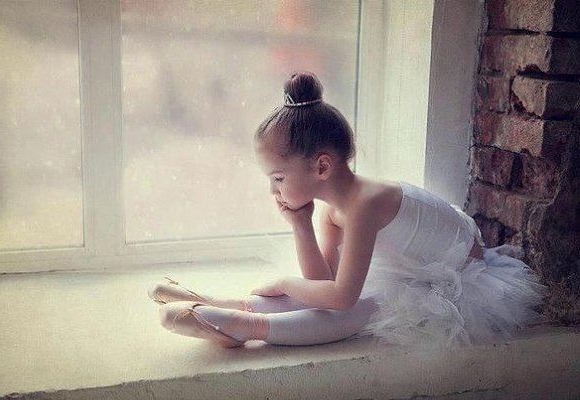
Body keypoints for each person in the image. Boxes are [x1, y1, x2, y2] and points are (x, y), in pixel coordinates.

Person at [147, 71, 549, 349]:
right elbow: (322, 284)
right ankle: (227, 304)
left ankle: (247, 325)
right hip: (409, 265)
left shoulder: (365, 205)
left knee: (365, 308)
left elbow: (340, 298)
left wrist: (285, 283)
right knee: (355, 297)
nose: (273, 189)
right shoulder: (334, 208)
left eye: (278, 177)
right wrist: (301, 225)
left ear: (322, 166)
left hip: (454, 277)